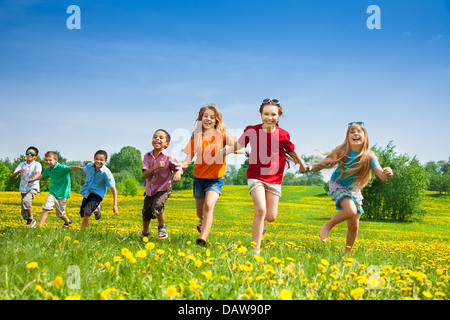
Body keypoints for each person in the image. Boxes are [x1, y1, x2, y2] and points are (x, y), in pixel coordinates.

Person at [224, 99, 308, 254]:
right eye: (266, 114)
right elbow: (240, 144)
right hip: (255, 176)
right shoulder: (252, 130)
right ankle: (255, 249)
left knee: (270, 216)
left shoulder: (283, 134)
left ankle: (263, 223)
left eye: (273, 114)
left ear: (279, 116)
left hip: (275, 178)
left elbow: (292, 151)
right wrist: (226, 151)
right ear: (261, 115)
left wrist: (302, 165)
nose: (269, 117)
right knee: (260, 210)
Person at [307, 121, 393, 253]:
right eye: (352, 132)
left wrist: (387, 172)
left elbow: (381, 175)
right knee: (350, 210)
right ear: (348, 136)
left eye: (359, 131)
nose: (356, 134)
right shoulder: (342, 151)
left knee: (354, 225)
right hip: (338, 184)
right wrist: (310, 168)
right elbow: (326, 163)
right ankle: (327, 226)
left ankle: (347, 255)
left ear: (365, 136)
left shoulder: (369, 156)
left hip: (354, 190)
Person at [181, 105, 242, 246]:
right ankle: (201, 219)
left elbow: (240, 148)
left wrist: (228, 150)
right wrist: (180, 167)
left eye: (212, 117)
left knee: (209, 206)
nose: (208, 119)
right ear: (201, 118)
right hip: (199, 178)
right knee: (200, 212)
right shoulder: (196, 137)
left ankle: (202, 239)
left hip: (215, 179)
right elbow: (188, 159)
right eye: (205, 116)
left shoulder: (222, 133)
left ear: (216, 120)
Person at [141, 129, 183, 240]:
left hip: (164, 188)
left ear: (167, 144)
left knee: (157, 205)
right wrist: (156, 167)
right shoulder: (147, 156)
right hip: (150, 190)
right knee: (146, 213)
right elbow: (145, 175)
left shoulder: (169, 158)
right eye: (155, 137)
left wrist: (178, 173)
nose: (157, 139)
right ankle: (145, 233)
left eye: (161, 137)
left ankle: (162, 228)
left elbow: (179, 168)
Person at [28, 151, 81, 228]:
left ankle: (67, 221)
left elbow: (70, 168)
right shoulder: (48, 170)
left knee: (59, 214)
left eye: (50, 160)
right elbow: (42, 176)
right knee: (46, 208)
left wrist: (79, 168)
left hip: (63, 194)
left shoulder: (61, 168)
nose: (48, 162)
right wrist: (33, 179)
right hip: (52, 193)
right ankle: (39, 227)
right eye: (46, 160)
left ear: (56, 160)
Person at [78, 150, 118, 230]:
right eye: (96, 159)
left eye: (101, 160)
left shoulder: (106, 173)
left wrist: (115, 205)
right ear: (94, 159)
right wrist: (75, 168)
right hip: (88, 192)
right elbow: (84, 169)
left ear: (105, 161)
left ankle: (81, 232)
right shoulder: (89, 166)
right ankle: (96, 209)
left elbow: (113, 189)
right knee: (82, 213)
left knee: (87, 212)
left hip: (97, 195)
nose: (98, 161)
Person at [10, 146, 42, 227]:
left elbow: (38, 173)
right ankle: (31, 223)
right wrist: (19, 171)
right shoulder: (22, 164)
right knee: (24, 211)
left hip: (33, 187)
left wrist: (33, 178)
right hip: (23, 188)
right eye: (27, 153)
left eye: (32, 154)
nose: (29, 155)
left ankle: (31, 219)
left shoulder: (37, 164)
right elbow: (12, 176)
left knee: (25, 201)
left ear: (35, 156)